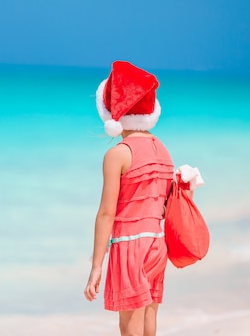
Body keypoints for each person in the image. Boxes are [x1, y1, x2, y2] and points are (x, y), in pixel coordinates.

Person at [84, 61, 174, 336]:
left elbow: (106, 214)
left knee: (128, 326)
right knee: (149, 314)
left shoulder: (118, 154)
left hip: (129, 246)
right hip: (158, 245)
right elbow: (166, 205)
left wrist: (96, 265)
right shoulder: (162, 149)